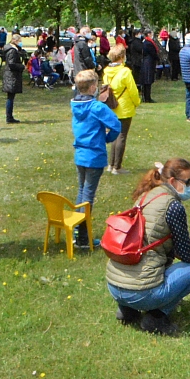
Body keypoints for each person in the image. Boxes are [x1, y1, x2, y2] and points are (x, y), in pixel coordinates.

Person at [105, 157, 190, 335]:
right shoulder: (173, 206)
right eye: (189, 181)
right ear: (173, 182)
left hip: (114, 285)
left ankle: (127, 310)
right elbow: (187, 255)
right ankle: (156, 318)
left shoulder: (146, 195)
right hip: (140, 292)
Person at [70, 70, 121, 250]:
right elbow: (116, 124)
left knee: (81, 192)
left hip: (80, 154)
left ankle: (76, 231)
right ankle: (83, 237)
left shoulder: (75, 104)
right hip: (94, 156)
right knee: (88, 196)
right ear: (93, 87)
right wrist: (107, 139)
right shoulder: (96, 107)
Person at [102, 43, 140, 174]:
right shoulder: (125, 72)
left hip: (111, 107)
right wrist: (137, 102)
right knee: (122, 136)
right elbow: (133, 91)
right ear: (122, 57)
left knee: (114, 136)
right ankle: (117, 167)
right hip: (124, 107)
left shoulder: (106, 71)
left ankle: (111, 164)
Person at [0, 37, 25, 123]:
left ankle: (9, 116)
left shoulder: (10, 49)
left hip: (10, 75)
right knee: (10, 97)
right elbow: (11, 64)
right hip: (11, 76)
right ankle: (9, 117)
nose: (21, 43)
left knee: (11, 97)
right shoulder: (12, 51)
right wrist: (22, 67)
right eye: (19, 41)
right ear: (15, 41)